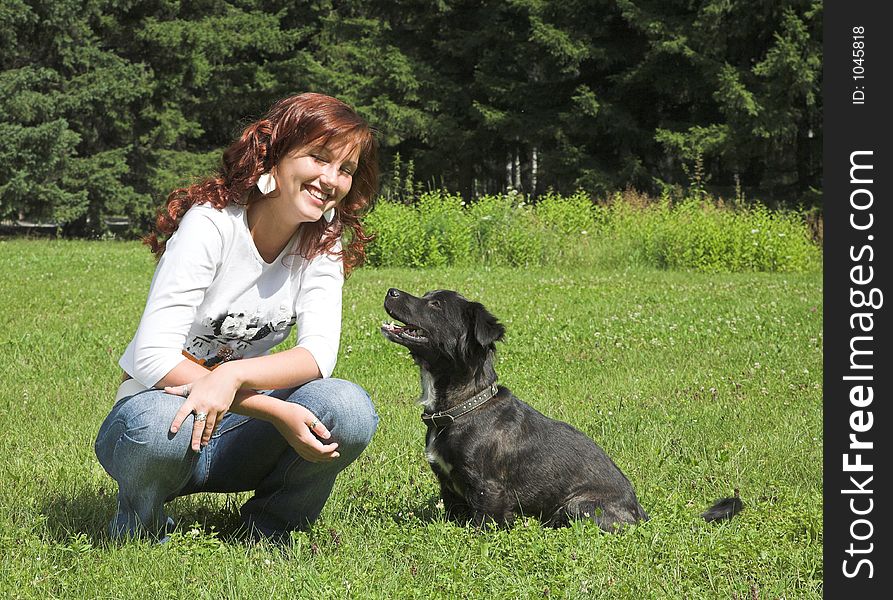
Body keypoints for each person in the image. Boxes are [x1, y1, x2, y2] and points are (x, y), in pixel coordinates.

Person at [94, 93, 380, 542]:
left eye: (344, 169)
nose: (331, 179)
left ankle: (269, 530)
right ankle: (141, 530)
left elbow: (319, 354)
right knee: (152, 428)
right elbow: (151, 357)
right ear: (276, 155)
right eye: (318, 158)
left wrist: (233, 375)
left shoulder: (324, 240)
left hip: (239, 436)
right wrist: (268, 406)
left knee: (348, 408)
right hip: (164, 418)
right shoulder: (211, 225)